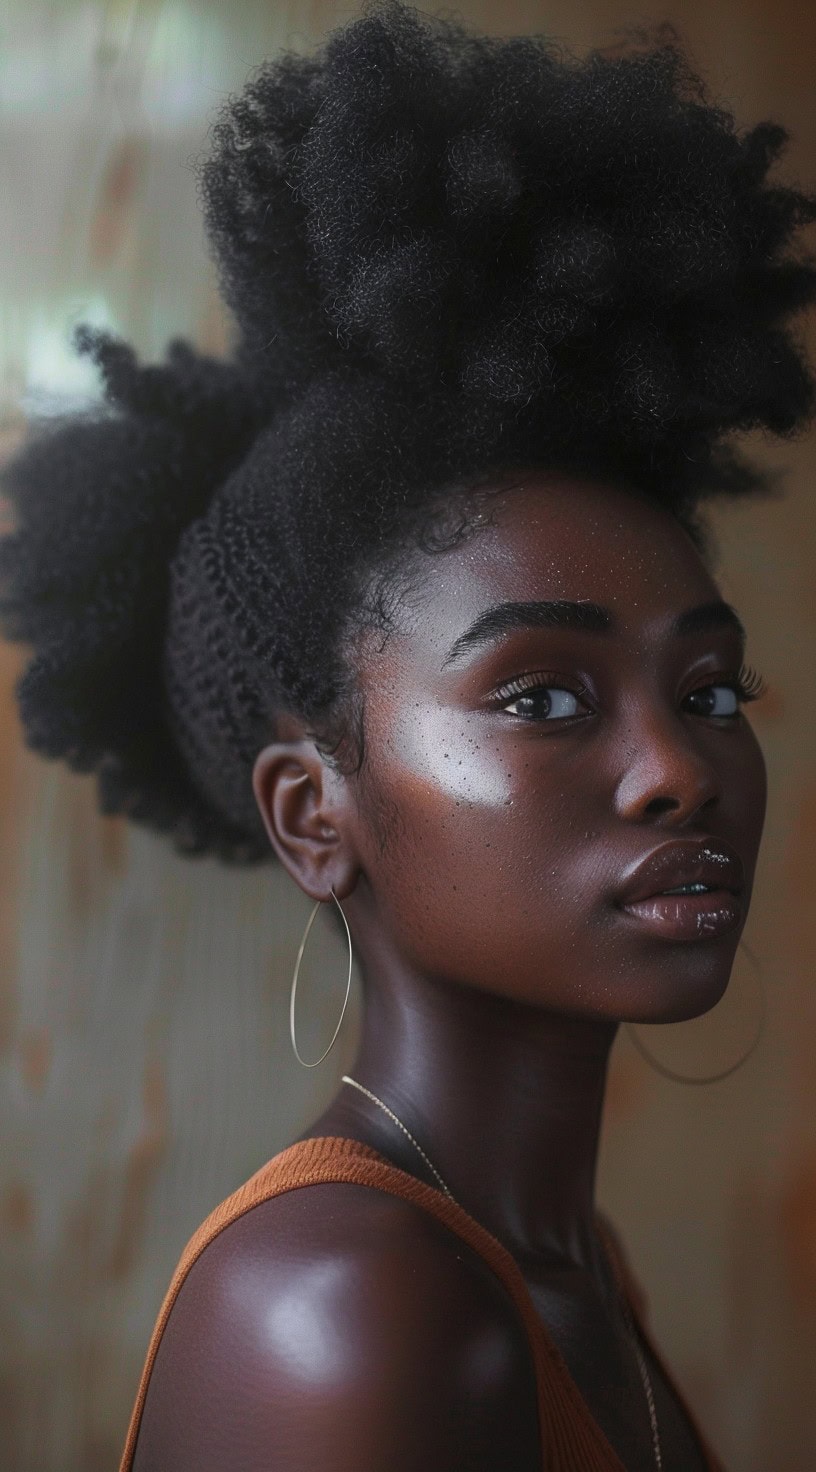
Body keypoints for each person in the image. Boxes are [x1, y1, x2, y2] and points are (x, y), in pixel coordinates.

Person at [1, 3, 814, 1468]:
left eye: (706, 690)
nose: (684, 767)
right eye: (544, 696)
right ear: (317, 816)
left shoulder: (562, 1270)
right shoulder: (359, 1311)